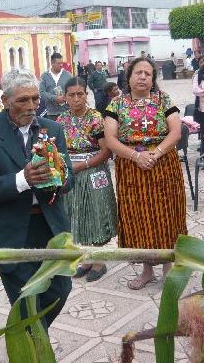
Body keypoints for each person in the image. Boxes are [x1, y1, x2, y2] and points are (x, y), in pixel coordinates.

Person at [0, 68, 74, 331]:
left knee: (60, 289)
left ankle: (30, 334)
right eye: (22, 101)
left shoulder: (53, 128)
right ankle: (34, 345)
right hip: (11, 230)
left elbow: (69, 176)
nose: (31, 107)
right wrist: (22, 180)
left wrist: (58, 177)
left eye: (35, 99)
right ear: (5, 101)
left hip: (50, 226)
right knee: (27, 300)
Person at [103, 57, 186, 290]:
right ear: (128, 77)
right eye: (137, 73)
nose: (142, 77)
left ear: (153, 79)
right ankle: (147, 270)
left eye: (147, 74)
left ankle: (169, 268)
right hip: (131, 168)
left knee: (168, 214)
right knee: (139, 218)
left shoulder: (163, 100)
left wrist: (155, 153)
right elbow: (110, 138)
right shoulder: (116, 104)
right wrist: (136, 156)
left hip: (163, 165)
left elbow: (176, 132)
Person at [57, 78, 116, 282]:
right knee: (77, 214)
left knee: (95, 214)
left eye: (80, 94)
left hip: (93, 172)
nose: (76, 99)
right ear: (64, 97)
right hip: (72, 174)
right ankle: (86, 259)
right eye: (71, 95)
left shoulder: (95, 118)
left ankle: (98, 261)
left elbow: (106, 151)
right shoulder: (61, 120)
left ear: (86, 95)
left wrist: (82, 166)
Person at [39, 52, 73, 121]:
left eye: (62, 63)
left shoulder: (68, 75)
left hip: (66, 112)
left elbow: (73, 90)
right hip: (51, 113)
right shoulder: (44, 76)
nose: (61, 65)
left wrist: (66, 98)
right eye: (58, 63)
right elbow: (41, 93)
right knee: (54, 131)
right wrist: (54, 98)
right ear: (52, 63)